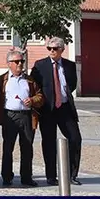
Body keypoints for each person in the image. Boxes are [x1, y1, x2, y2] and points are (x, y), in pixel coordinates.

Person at [31, 38, 82, 187]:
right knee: (49, 142)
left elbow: (72, 84)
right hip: (48, 109)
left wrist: (62, 95)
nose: (52, 51)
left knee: (75, 138)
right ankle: (51, 176)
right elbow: (35, 86)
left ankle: (71, 175)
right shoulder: (40, 65)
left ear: (62, 50)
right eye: (49, 48)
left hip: (65, 108)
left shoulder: (69, 65)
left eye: (55, 48)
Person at [0, 48, 43, 187]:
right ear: (9, 63)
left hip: (26, 116)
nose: (20, 64)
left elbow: (40, 96)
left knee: (27, 147)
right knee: (8, 147)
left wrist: (32, 100)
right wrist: (1, 115)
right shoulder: (2, 80)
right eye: (17, 61)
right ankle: (7, 177)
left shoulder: (29, 80)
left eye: (22, 61)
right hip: (9, 116)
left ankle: (26, 177)